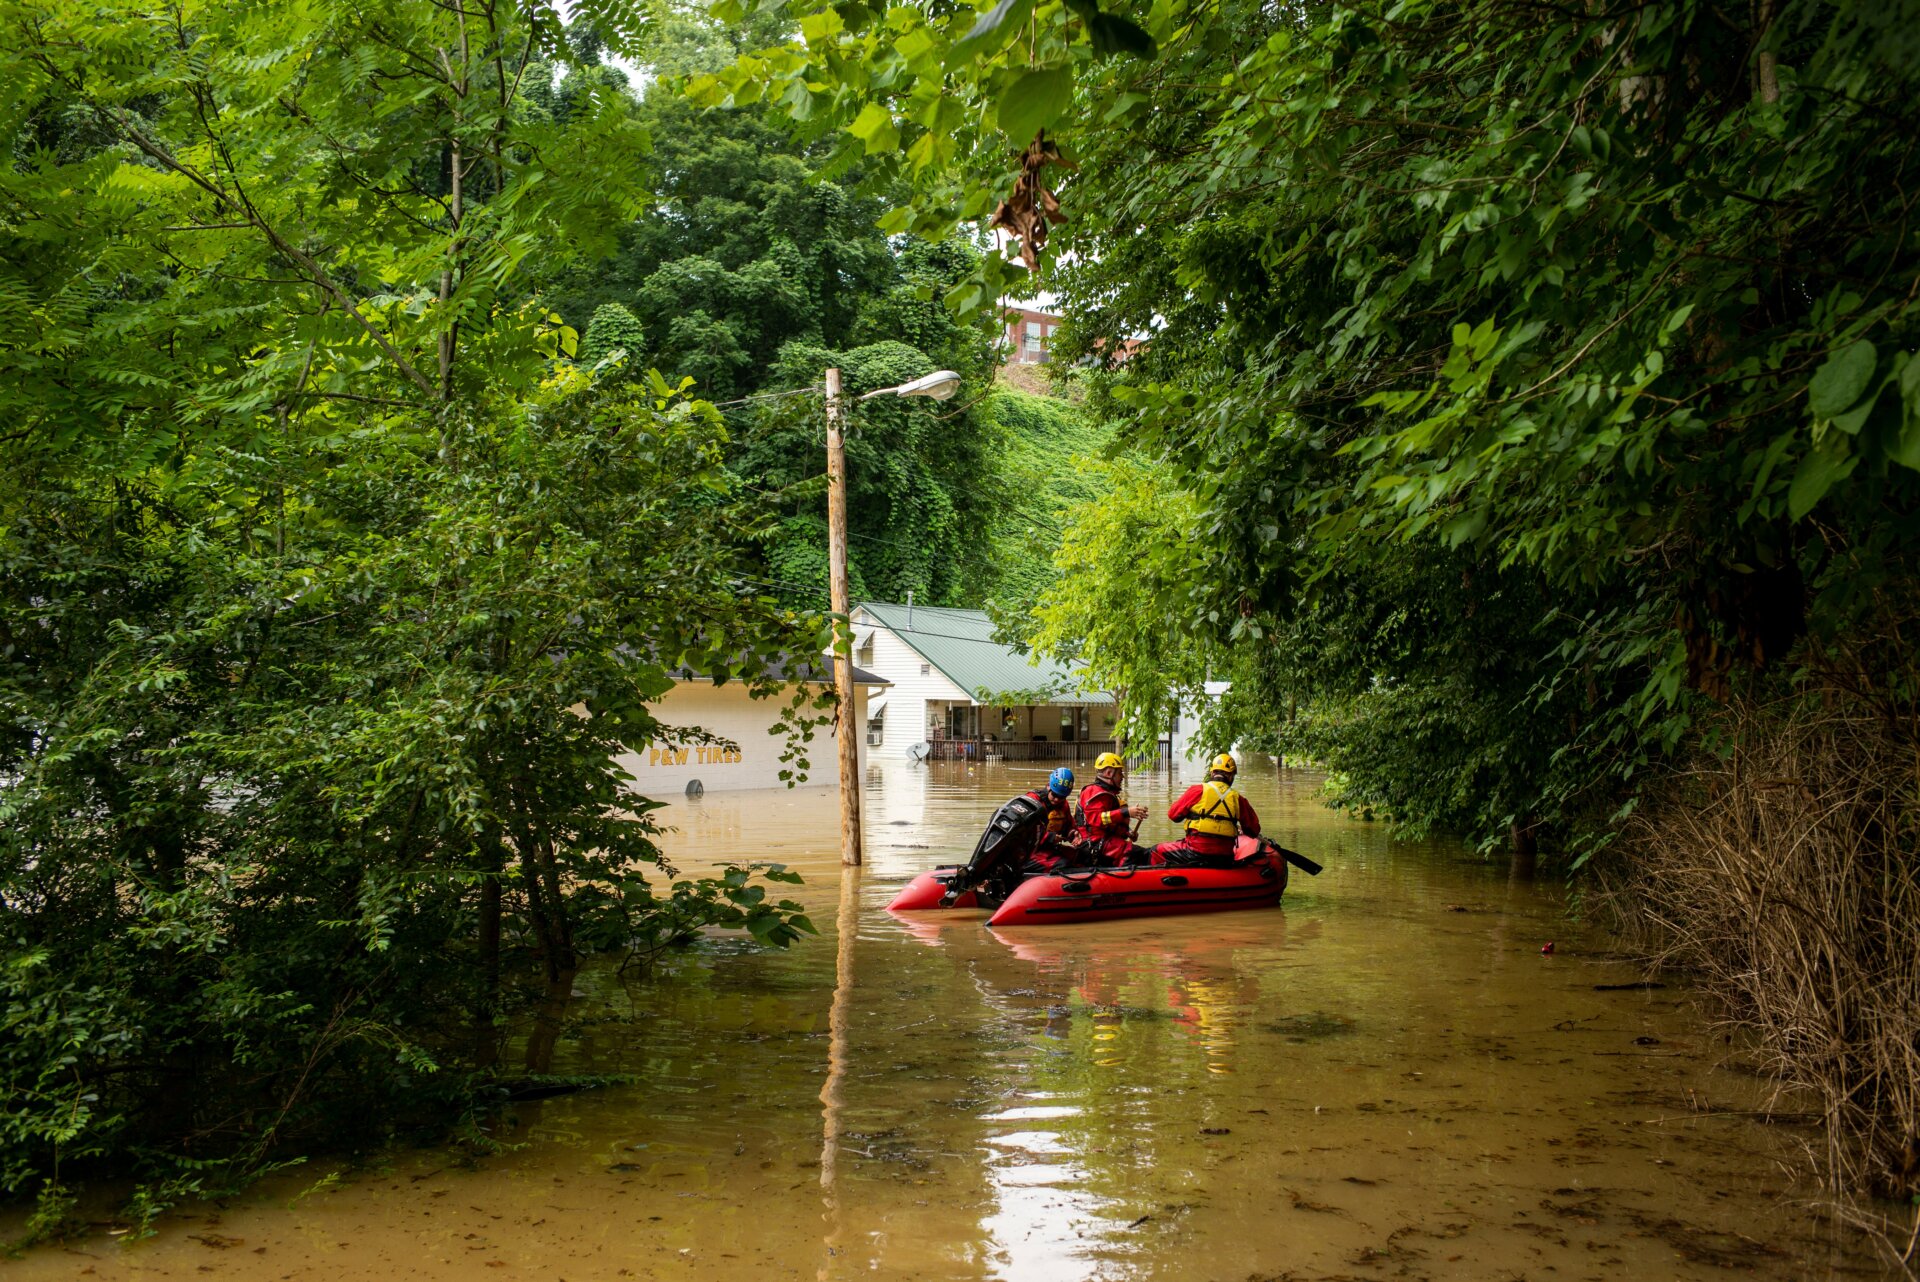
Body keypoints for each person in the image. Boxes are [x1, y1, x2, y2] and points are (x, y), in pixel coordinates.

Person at [941, 767, 1081, 904]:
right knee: (1063, 864)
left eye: (1061, 797)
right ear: (1049, 787)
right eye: (1054, 795)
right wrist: (1051, 838)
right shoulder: (1032, 802)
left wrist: (1073, 834)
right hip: (1029, 851)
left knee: (1077, 857)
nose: (1057, 799)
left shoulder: (1064, 806)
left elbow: (1069, 826)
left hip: (1047, 849)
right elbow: (1024, 831)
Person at [1153, 753, 1261, 867]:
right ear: (1231, 776)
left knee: (1155, 851)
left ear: (1212, 773)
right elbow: (1254, 830)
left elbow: (1173, 815)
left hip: (1194, 852)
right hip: (1225, 856)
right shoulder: (1238, 799)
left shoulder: (1197, 791)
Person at [1076, 751, 1144, 865]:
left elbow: (1110, 824)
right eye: (1119, 773)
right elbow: (1097, 819)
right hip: (1093, 846)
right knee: (1138, 854)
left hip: (1104, 842)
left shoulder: (1108, 794)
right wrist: (1126, 812)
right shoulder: (1093, 792)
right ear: (1109, 773)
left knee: (1140, 853)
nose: (1122, 776)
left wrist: (1127, 832)